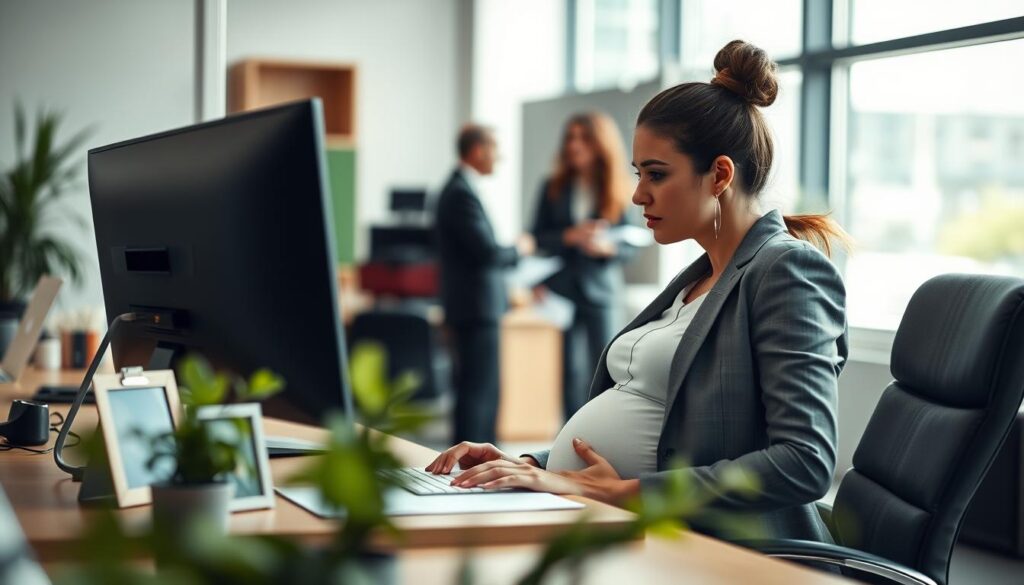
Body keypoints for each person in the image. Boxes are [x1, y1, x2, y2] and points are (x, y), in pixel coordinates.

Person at [427, 40, 850, 543]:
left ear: (719, 175)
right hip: (624, 526)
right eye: (637, 173)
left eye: (656, 174)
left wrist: (627, 493)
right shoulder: (696, 278)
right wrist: (527, 463)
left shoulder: (786, 270)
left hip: (720, 551)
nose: (636, 195)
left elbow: (805, 462)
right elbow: (648, 423)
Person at [531, 112, 638, 420]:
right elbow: (537, 236)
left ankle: (600, 439)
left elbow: (631, 243)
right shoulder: (552, 186)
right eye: (570, 138)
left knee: (604, 371)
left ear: (599, 144)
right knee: (569, 373)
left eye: (583, 138)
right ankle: (567, 442)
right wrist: (570, 236)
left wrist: (607, 248)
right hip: (560, 291)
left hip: (601, 289)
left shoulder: (619, 187)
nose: (575, 145)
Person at [435, 124, 536, 444]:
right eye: (495, 149)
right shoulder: (460, 193)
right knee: (479, 391)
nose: (500, 157)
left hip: (473, 308)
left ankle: (475, 456)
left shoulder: (459, 189)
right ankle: (472, 460)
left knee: (478, 389)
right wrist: (520, 247)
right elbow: (487, 252)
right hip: (476, 309)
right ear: (478, 150)